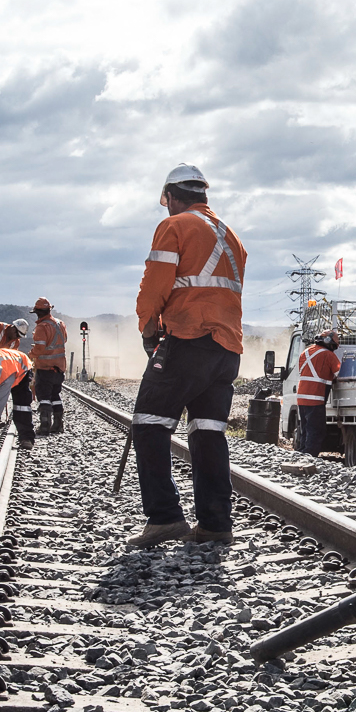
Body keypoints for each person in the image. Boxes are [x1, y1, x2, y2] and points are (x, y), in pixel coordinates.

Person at [127, 163, 247, 549]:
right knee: (208, 432)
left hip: (189, 338)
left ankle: (164, 517)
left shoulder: (175, 225)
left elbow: (155, 283)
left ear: (174, 197)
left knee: (149, 424)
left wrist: (148, 326)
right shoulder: (231, 236)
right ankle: (215, 524)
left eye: (167, 202)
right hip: (226, 349)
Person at [295, 330, 340, 456]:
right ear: (329, 342)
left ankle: (302, 454)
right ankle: (309, 457)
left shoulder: (304, 353)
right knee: (316, 430)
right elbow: (339, 374)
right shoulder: (329, 355)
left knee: (305, 429)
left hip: (301, 398)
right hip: (315, 398)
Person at [29, 298, 68, 435]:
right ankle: (58, 425)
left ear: (38, 312)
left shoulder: (42, 327)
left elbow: (40, 348)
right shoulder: (60, 324)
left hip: (45, 368)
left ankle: (45, 425)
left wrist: (30, 356)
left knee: (44, 396)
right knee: (55, 395)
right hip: (59, 368)